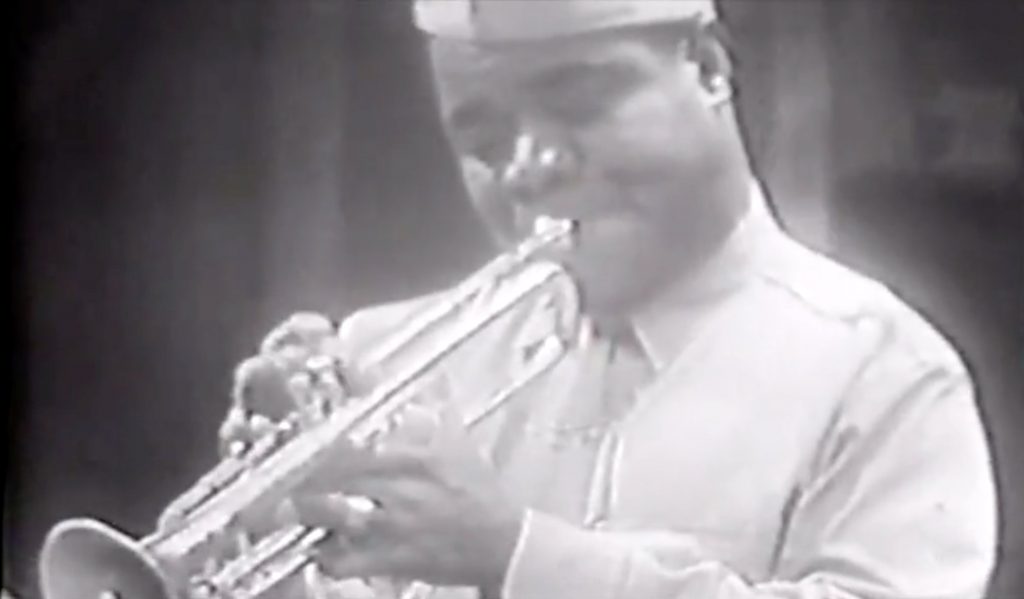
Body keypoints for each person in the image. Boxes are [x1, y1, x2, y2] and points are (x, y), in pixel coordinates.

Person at [225, 1, 998, 598]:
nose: (531, 164)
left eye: (580, 102)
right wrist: (263, 532)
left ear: (706, 68)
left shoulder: (884, 373)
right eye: (483, 137)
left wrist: (512, 554)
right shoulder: (386, 363)